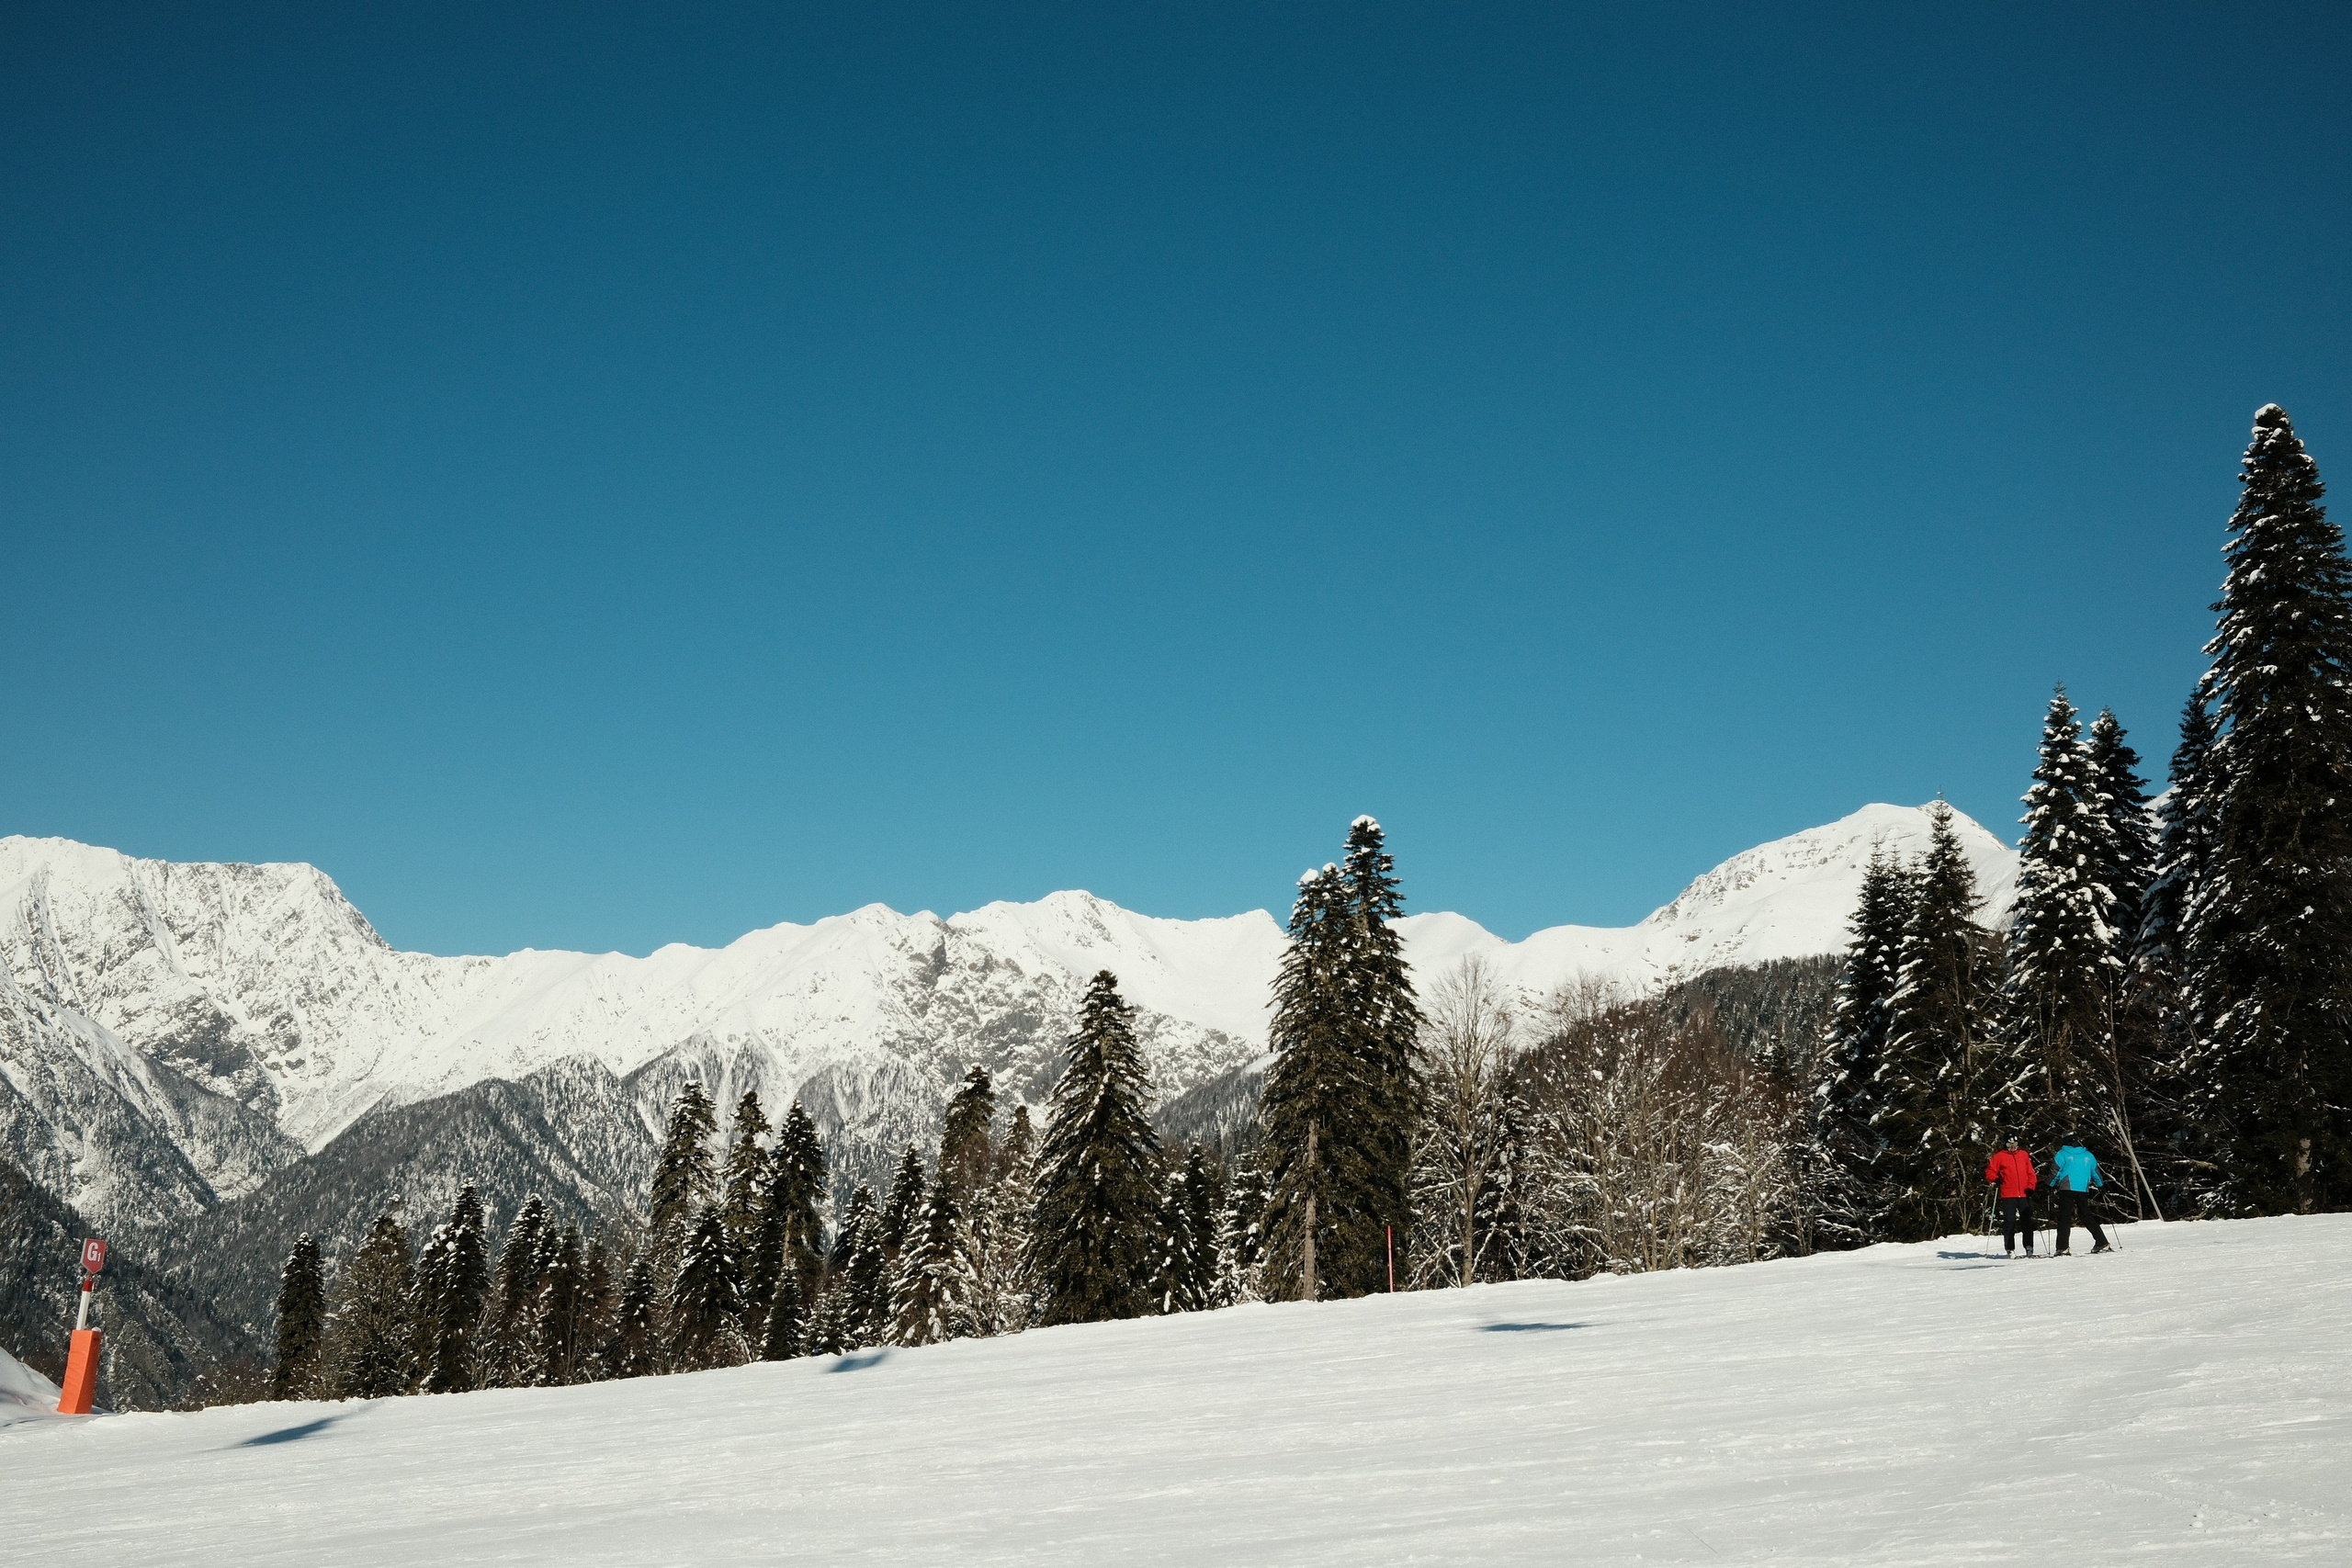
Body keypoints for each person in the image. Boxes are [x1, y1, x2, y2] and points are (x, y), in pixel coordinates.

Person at [2049, 1134, 2112, 1256]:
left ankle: (2063, 1247)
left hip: (2067, 1188)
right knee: (2086, 1215)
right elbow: (2095, 1172)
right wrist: (2101, 1185)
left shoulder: (2062, 1154)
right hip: (2083, 1189)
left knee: (2064, 1217)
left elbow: (2055, 1171)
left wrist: (2049, 1185)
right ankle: (2102, 1242)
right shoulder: (2088, 1155)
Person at [1983, 1133, 2039, 1256]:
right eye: (2009, 1144)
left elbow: (2031, 1173)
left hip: (2024, 1194)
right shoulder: (1999, 1157)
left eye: (2015, 1144)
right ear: (2005, 1144)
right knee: (2010, 1221)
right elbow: (1990, 1171)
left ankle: (2029, 1247)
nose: (2013, 1147)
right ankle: (2010, 1248)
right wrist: (1996, 1179)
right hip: (2008, 1194)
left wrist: (2030, 1187)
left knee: (2027, 1222)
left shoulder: (2023, 1155)